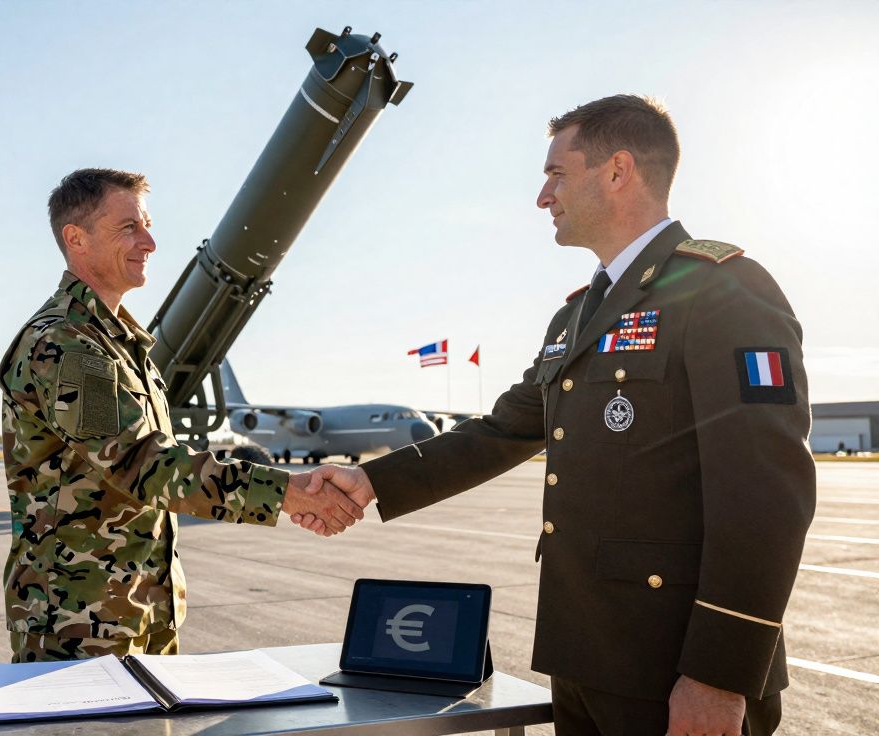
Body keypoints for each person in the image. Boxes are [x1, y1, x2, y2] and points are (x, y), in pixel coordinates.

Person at [296, 95, 813, 735]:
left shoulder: (724, 289)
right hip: (586, 658)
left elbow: (766, 494)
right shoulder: (576, 315)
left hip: (675, 672)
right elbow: (503, 430)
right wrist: (372, 481)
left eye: (557, 174)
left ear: (618, 171)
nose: (544, 196)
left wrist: (718, 676)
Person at [0, 167, 366, 663]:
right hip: (77, 628)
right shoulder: (68, 344)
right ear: (76, 238)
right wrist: (288, 493)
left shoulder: (118, 345)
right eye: (128, 227)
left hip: (135, 613)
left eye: (146, 224)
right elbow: (144, 465)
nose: (148, 242)